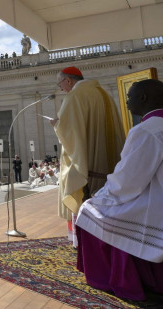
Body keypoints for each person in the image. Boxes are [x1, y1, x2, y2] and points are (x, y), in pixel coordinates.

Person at [74, 79, 163, 301]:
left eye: (130, 97)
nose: (128, 102)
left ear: (142, 98)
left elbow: (126, 183)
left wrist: (98, 196)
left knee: (89, 210)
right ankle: (148, 273)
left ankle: (125, 280)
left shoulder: (147, 131)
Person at [51, 66, 125, 229]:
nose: (61, 88)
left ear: (68, 80)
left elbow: (69, 133)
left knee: (88, 210)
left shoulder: (74, 96)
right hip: (110, 164)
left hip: (89, 166)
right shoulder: (103, 93)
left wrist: (57, 125)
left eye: (60, 84)